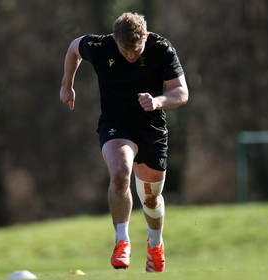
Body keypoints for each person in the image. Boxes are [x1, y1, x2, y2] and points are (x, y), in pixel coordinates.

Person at [59, 12, 188, 272]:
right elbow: (74, 48)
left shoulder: (160, 48)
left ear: (145, 39)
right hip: (115, 123)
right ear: (115, 41)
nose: (130, 55)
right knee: (120, 172)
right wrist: (67, 84)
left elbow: (181, 92)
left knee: (151, 198)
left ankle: (155, 244)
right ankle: (122, 241)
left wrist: (158, 101)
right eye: (124, 50)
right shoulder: (100, 46)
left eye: (136, 50)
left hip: (151, 128)